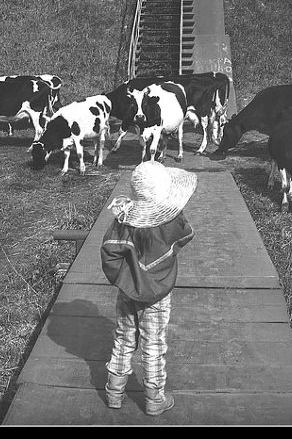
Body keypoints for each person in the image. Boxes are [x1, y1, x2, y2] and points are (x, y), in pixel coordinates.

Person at [100, 160, 197, 416]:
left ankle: (114, 392)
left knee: (123, 340)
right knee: (153, 344)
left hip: (127, 293)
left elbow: (109, 252)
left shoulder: (122, 223)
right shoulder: (171, 222)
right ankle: (154, 399)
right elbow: (186, 235)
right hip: (158, 295)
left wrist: (125, 279)